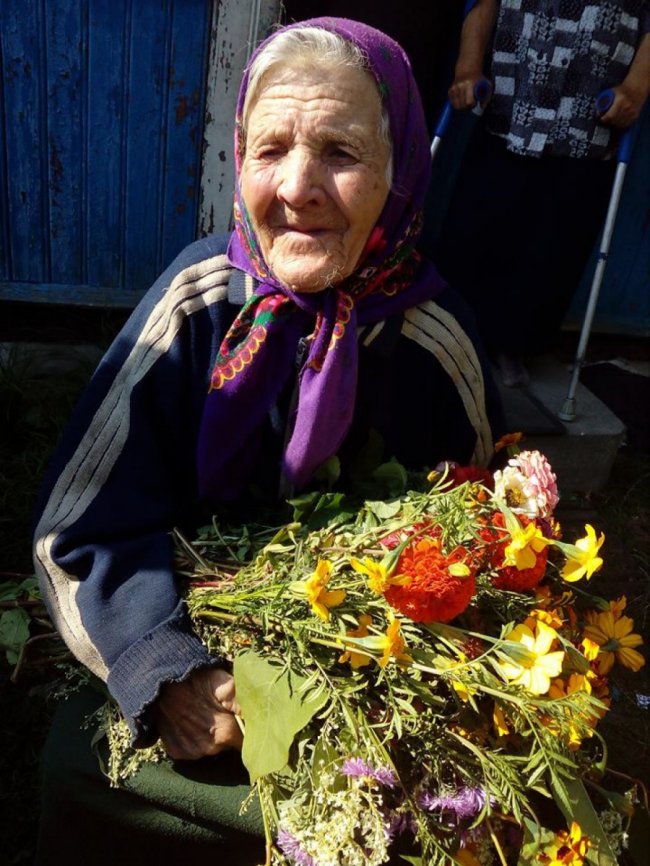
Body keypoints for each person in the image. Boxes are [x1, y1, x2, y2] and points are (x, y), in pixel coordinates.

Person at [32, 17, 503, 865]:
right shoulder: (196, 306)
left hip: (368, 675)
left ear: (401, 171)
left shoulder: (435, 342)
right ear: (238, 156)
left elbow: (488, 540)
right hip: (190, 651)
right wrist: (167, 672)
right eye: (270, 149)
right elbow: (76, 529)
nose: (298, 187)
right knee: (85, 772)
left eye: (341, 152)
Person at [433, 0, 650, 386]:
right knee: (477, 223)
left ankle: (513, 346)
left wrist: (635, 87)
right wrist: (467, 68)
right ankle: (445, 331)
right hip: (510, 101)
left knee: (554, 241)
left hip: (588, 116)